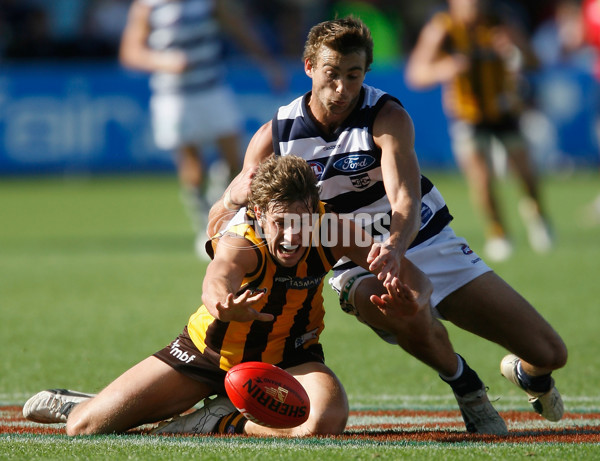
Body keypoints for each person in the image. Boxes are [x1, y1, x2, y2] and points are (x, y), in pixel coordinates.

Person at [208, 16, 568, 435]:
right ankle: (467, 386)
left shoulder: (386, 116)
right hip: (352, 260)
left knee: (550, 351)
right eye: (331, 74)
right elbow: (230, 218)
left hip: (425, 241)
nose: (342, 88)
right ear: (309, 67)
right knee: (405, 308)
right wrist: (232, 201)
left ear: (365, 73)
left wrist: (396, 248)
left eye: (353, 75)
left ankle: (530, 375)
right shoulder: (277, 136)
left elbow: (405, 199)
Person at [22, 155, 429, 437]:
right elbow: (216, 279)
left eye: (301, 222)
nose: (291, 236)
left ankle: (218, 421)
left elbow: (414, 278)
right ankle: (90, 403)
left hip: (291, 357)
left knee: (326, 419)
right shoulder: (243, 242)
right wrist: (223, 306)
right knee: (83, 428)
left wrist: (411, 300)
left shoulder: (333, 230)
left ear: (316, 210)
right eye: (280, 223)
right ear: (258, 214)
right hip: (209, 355)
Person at [119, 0, 285, 258]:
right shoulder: (148, 5)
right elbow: (130, 52)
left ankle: (221, 210)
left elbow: (238, 28)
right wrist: (163, 61)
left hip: (212, 88)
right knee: (192, 167)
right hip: (174, 96)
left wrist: (268, 64)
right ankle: (205, 227)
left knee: (235, 160)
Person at [404, 0, 553, 262]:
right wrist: (446, 67)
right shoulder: (443, 28)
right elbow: (416, 74)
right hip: (467, 114)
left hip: (504, 109)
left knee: (526, 171)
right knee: (481, 177)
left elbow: (535, 62)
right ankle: (498, 232)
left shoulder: (500, 23)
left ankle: (538, 215)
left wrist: (515, 48)